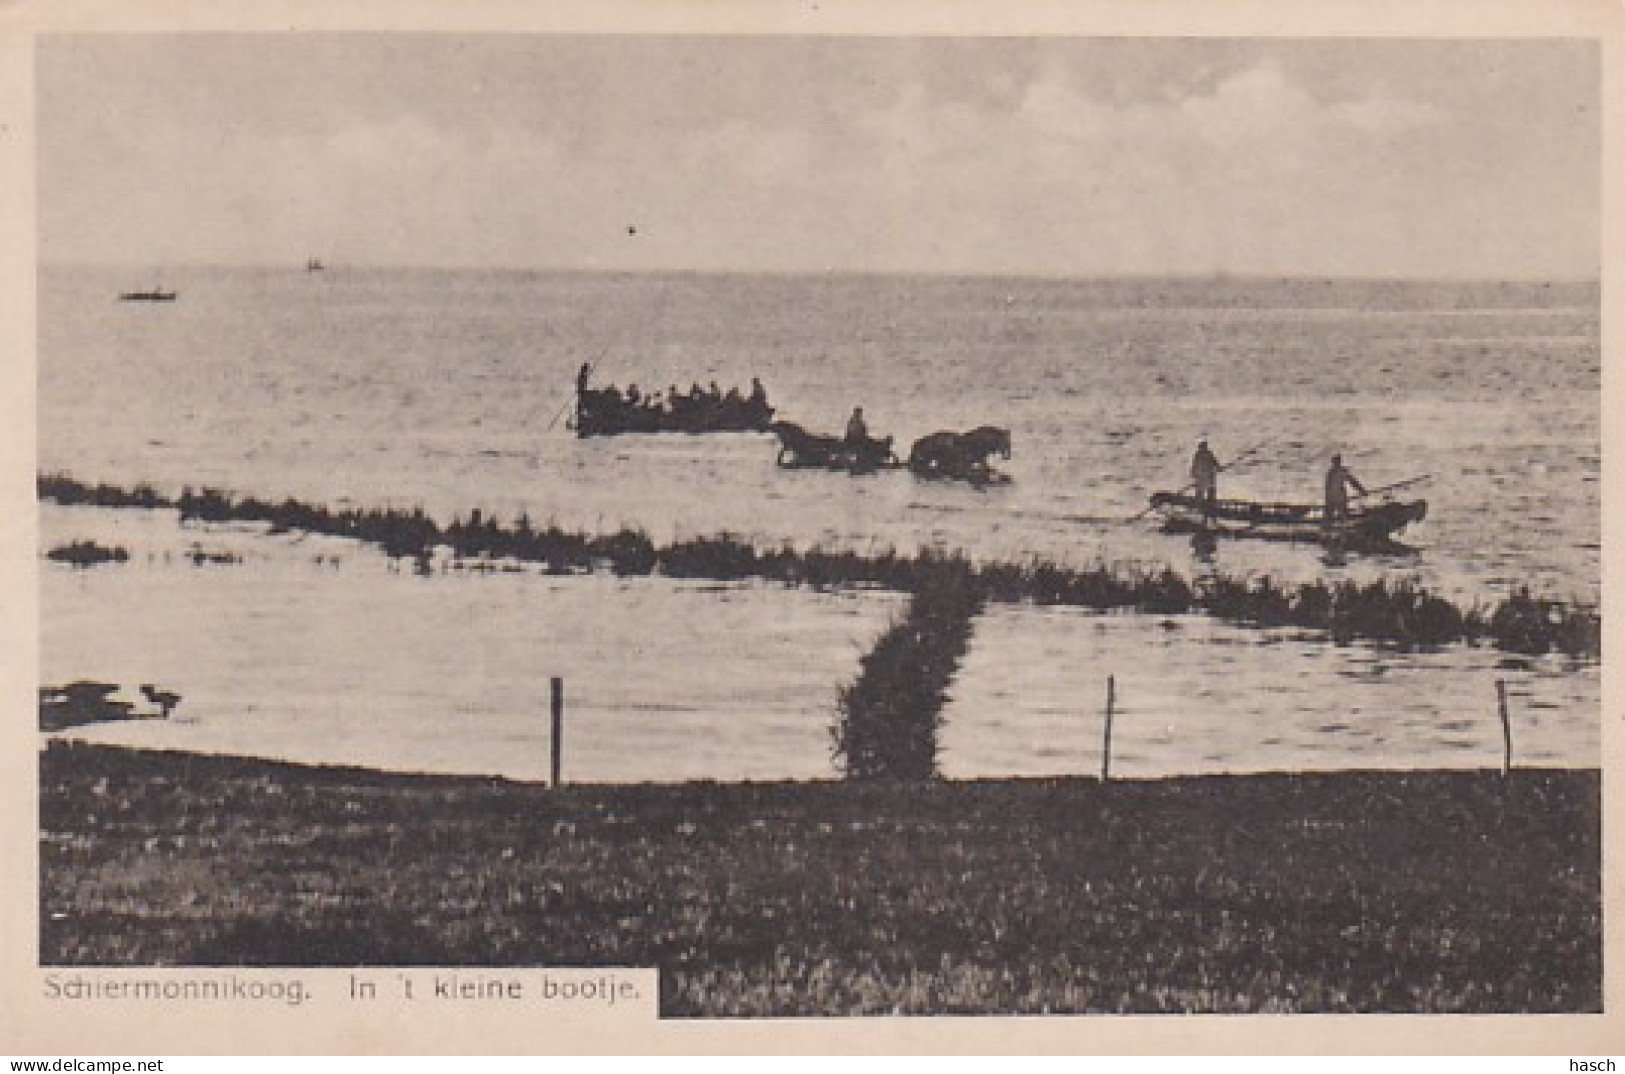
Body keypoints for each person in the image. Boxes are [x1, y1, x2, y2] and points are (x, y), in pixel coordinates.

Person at [1324, 453, 1366, 523]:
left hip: (1331, 498)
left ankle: (1330, 527)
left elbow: (1327, 487)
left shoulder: (1330, 472)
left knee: (1330, 516)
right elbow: (1353, 481)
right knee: (1343, 515)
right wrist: (1362, 490)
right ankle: (1343, 527)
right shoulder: (1341, 471)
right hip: (1339, 497)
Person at [1190, 439, 1221, 509]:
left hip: (1208, 476)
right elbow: (1195, 465)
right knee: (1202, 491)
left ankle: (1209, 505)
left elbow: (1215, 462)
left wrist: (1218, 468)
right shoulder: (1200, 455)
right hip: (1204, 476)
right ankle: (1202, 505)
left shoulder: (1206, 454)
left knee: (1209, 491)